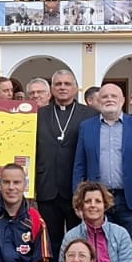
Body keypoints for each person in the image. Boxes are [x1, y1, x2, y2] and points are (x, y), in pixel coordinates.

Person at [72, 83, 132, 262]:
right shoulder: (87, 127)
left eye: (114, 96)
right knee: (98, 251)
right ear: (98, 101)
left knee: (131, 251)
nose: (109, 99)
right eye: (105, 96)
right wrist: (79, 201)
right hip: (97, 202)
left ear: (122, 100)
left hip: (130, 200)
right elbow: (79, 166)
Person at [35, 70, 94, 249]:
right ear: (52, 89)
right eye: (58, 84)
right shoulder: (39, 115)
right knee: (50, 242)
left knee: (79, 240)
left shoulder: (90, 115)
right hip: (47, 187)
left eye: (67, 84)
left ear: (76, 88)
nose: (62, 87)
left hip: (76, 189)